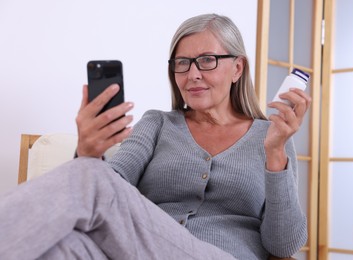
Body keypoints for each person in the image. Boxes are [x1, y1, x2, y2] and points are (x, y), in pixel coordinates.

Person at [0, 13, 310, 260]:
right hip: (139, 250)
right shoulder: (158, 123)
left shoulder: (270, 138)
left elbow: (282, 246)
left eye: (207, 60)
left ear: (237, 68)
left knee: (89, 174)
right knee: (62, 249)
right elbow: (109, 185)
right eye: (182, 63)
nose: (192, 74)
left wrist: (275, 156)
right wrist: (88, 152)